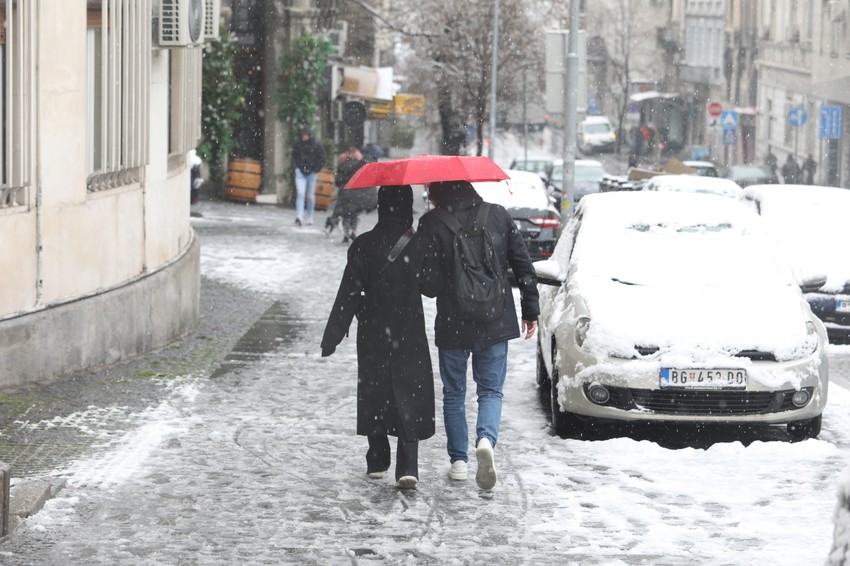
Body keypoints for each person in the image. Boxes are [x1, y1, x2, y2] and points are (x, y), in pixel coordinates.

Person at [417, 180, 539, 490]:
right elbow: (523, 266)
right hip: (495, 320)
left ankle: (458, 462)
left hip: (453, 323)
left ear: (439, 190)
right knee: (491, 391)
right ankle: (485, 440)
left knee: (454, 394)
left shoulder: (432, 223)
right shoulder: (498, 215)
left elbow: (429, 287)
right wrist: (530, 311)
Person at [321, 185, 434, 490]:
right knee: (410, 391)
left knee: (375, 389)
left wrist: (332, 336)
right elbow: (432, 287)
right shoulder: (419, 243)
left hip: (372, 331)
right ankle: (408, 466)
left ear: (382, 206)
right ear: (407, 206)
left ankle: (377, 458)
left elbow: (348, 293)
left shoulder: (363, 245)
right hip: (409, 330)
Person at [325, 148, 374, 243]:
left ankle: (346, 234)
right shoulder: (361, 165)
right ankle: (353, 231)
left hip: (346, 194)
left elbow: (338, 181)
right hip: (358, 194)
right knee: (354, 214)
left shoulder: (343, 165)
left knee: (346, 215)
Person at [291, 127, 326, 226]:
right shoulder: (298, 144)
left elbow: (322, 157)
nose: (304, 136)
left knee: (310, 196)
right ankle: (300, 215)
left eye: (306, 135)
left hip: (311, 173)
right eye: (303, 135)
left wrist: (316, 169)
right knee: (301, 193)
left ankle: (310, 216)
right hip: (301, 172)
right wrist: (296, 168)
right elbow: (294, 157)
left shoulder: (315, 144)